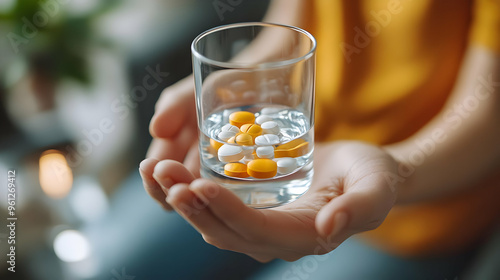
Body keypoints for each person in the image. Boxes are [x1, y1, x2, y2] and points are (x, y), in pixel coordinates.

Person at [139, 0, 500, 278]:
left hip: (424, 205)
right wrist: (222, 85)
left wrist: (396, 172)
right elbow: (287, 35)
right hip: (309, 154)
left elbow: (486, 113)